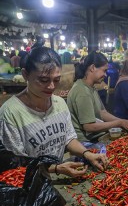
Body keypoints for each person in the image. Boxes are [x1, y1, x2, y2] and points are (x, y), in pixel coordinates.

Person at [0, 46, 109, 178]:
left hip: (57, 176)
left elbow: (69, 139)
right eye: (44, 80)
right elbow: (15, 165)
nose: (52, 86)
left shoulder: (59, 104)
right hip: (31, 185)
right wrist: (56, 169)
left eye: (56, 80)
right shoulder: (11, 113)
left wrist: (87, 154)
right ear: (25, 75)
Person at [67, 51, 128, 142]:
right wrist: (119, 123)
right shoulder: (82, 92)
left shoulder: (91, 87)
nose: (105, 74)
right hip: (86, 142)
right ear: (92, 68)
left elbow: (102, 113)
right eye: (104, 70)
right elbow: (89, 127)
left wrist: (123, 122)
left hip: (96, 137)